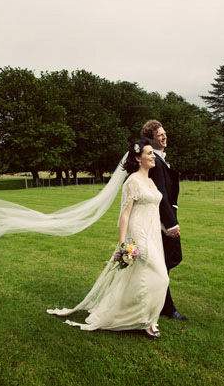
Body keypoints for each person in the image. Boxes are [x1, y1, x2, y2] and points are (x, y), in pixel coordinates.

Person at [47, 139, 169, 338]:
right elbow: (125, 214)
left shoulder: (150, 181)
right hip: (139, 234)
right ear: (138, 158)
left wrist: (165, 228)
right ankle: (145, 320)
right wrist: (123, 245)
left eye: (152, 153)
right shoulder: (132, 181)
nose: (153, 156)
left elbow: (153, 207)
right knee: (161, 277)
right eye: (149, 153)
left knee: (143, 277)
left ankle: (145, 318)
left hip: (154, 233)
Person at [141, 120, 188, 321]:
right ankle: (166, 307)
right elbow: (160, 195)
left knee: (166, 262)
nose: (164, 136)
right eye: (160, 134)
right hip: (160, 222)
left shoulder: (159, 160)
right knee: (168, 261)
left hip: (167, 216)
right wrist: (170, 224)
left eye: (164, 133)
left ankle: (160, 302)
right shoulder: (155, 162)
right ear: (150, 139)